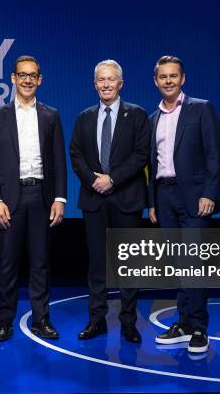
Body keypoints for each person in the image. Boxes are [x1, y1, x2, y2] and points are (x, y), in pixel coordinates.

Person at [0, 55, 67, 342]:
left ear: (40, 80)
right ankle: (4, 321)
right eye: (22, 75)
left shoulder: (51, 116)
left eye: (33, 75)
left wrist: (60, 198)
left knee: (41, 262)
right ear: (13, 78)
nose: (28, 80)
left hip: (42, 197)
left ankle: (41, 320)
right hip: (9, 200)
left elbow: (58, 160)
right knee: (7, 264)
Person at [148, 55, 220, 354]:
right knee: (176, 264)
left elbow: (214, 155)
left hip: (194, 197)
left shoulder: (201, 109)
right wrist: (152, 202)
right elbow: (150, 164)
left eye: (173, 76)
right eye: (162, 77)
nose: (168, 81)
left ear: (183, 79)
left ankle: (199, 328)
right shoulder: (152, 118)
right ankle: (182, 323)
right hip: (164, 196)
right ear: (155, 81)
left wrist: (210, 193)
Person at [69, 60, 149, 343]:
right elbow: (75, 154)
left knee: (128, 263)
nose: (105, 84)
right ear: (95, 84)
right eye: (100, 80)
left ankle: (128, 322)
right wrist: (94, 180)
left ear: (120, 83)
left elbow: (142, 155)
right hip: (94, 200)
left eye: (110, 79)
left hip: (126, 198)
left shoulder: (137, 115)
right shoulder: (84, 117)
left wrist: (112, 178)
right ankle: (97, 321)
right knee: (97, 265)